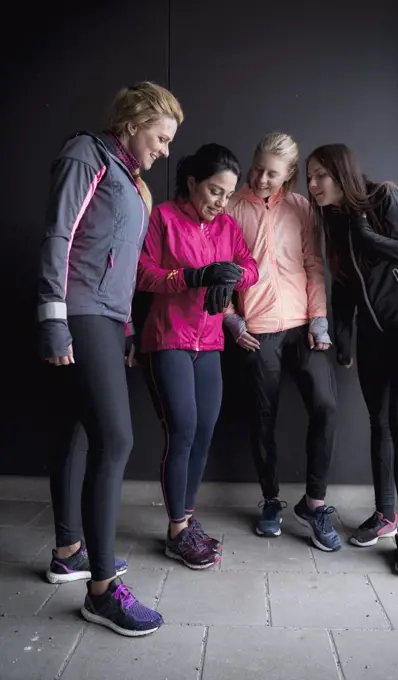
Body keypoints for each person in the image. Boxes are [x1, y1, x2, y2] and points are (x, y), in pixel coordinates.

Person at [37, 81, 183, 635]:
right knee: (116, 439)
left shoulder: (128, 177)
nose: (165, 150)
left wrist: (124, 329)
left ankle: (70, 550)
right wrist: (52, 316)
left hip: (104, 315)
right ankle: (101, 591)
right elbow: (58, 235)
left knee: (79, 429)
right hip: (78, 309)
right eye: (161, 137)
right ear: (134, 121)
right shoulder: (87, 153)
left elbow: (119, 263)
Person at [306, 143, 398, 575]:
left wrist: (370, 237)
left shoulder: (383, 197)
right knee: (379, 422)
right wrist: (343, 338)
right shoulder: (333, 220)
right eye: (308, 178)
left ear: (340, 172)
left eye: (318, 176)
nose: (311, 186)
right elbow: (344, 286)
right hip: (374, 333)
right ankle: (386, 516)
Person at [136, 143, 259, 569]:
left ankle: (187, 520)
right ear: (192, 183)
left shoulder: (227, 226)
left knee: (205, 430)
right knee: (183, 429)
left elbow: (251, 265)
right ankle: (176, 531)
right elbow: (142, 271)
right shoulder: (163, 218)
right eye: (213, 191)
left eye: (227, 194)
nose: (221, 202)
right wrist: (190, 276)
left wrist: (233, 276)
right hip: (167, 337)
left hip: (209, 342)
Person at [223, 132, 341, 552]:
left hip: (304, 326)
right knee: (263, 416)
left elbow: (314, 265)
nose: (261, 178)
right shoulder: (231, 206)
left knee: (326, 406)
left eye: (272, 173)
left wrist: (320, 319)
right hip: (259, 328)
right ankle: (271, 500)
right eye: (257, 168)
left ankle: (314, 503)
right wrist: (231, 319)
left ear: (289, 174)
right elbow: (215, 269)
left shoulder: (302, 208)